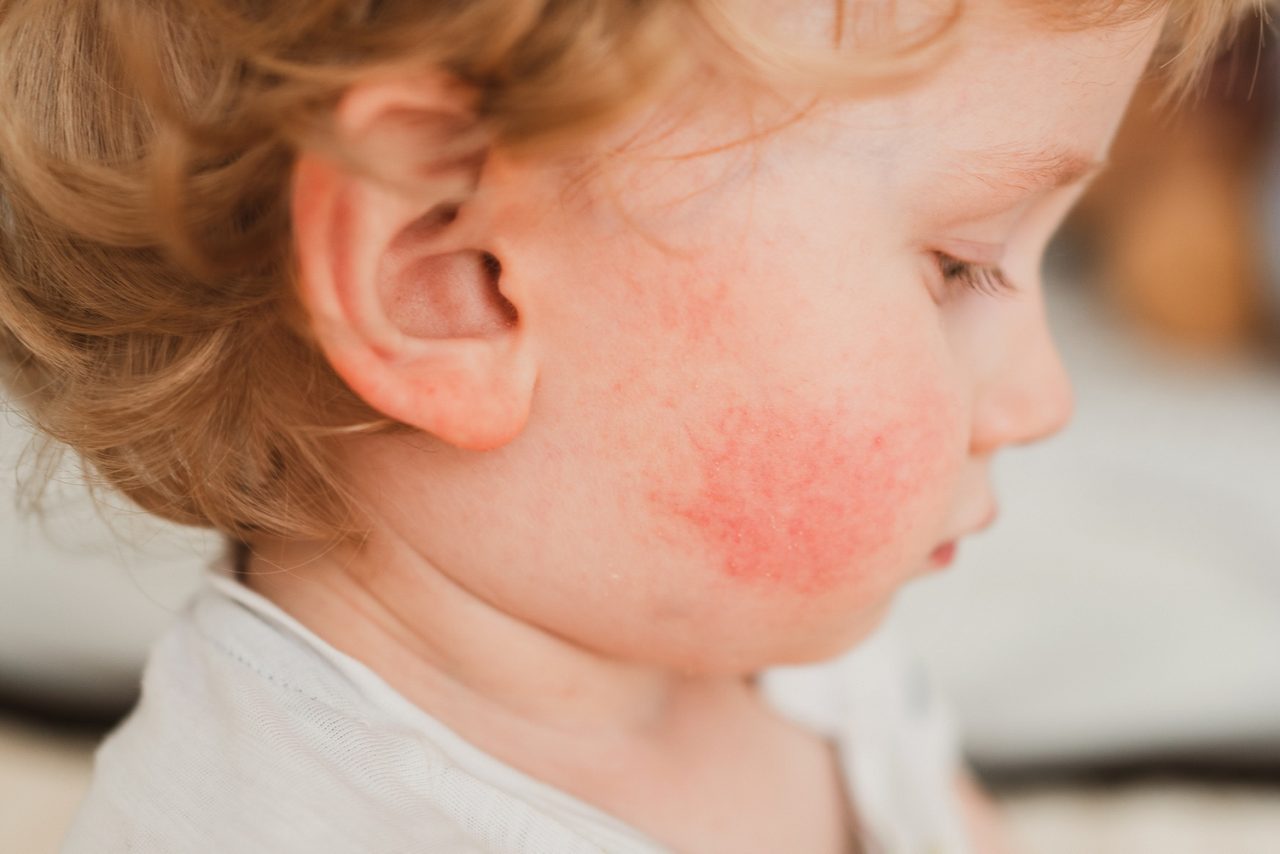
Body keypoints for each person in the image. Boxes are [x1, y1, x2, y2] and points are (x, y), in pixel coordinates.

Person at [0, 1, 1261, 851]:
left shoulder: (786, 659)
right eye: (958, 265)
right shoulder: (266, 820)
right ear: (451, 280)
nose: (1042, 397)